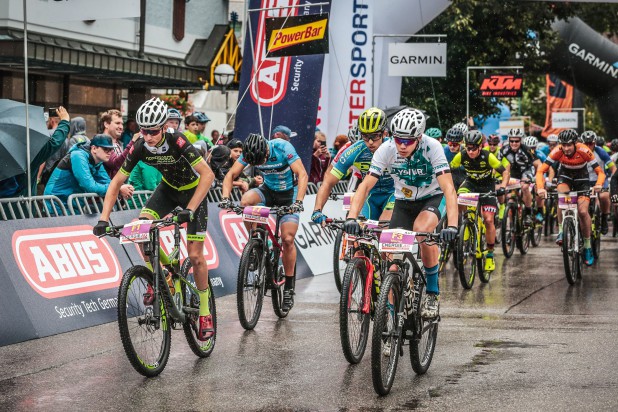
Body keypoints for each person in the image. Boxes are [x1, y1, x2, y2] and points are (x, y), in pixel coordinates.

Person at [93, 97, 216, 340]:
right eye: (143, 131)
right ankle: (164, 275)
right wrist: (103, 219)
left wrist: (190, 209)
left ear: (164, 127)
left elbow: (208, 175)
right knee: (141, 230)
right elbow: (117, 182)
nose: (148, 136)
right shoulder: (139, 146)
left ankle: (204, 312)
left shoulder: (177, 141)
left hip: (193, 193)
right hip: (167, 190)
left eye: (153, 131)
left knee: (194, 255)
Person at [343, 108, 458, 320]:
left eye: (409, 141)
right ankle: (390, 312)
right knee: (390, 258)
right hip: (404, 202)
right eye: (398, 140)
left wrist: (452, 225)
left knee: (422, 232)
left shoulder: (432, 148)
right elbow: (365, 186)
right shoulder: (386, 149)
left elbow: (449, 189)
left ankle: (432, 292)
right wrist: (351, 216)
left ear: (419, 137)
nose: (403, 145)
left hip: (432, 197)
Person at [219, 133, 308, 312]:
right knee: (245, 201)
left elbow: (302, 174)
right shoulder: (249, 152)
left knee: (288, 239)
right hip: (268, 191)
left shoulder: (283, 148)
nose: (260, 166)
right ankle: (256, 240)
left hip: (289, 195)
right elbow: (230, 175)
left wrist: (298, 202)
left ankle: (289, 287)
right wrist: (225, 198)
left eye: (262, 162)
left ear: (266, 150)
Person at [312, 108, 395, 225]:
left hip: (393, 194)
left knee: (384, 228)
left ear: (384, 133)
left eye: (375, 136)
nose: (370, 142)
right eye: (365, 136)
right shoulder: (354, 150)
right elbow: (328, 182)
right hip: (369, 194)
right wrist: (317, 210)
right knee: (355, 232)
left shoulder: (394, 148)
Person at [536, 129, 605, 266]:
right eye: (563, 145)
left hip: (582, 179)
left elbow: (600, 172)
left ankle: (587, 246)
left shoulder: (584, 150)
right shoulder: (557, 150)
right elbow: (541, 170)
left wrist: (598, 184)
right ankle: (561, 231)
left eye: (569, 145)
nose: (566, 148)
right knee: (561, 197)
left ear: (575, 144)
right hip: (565, 176)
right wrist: (540, 187)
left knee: (583, 212)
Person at [451, 130, 509, 272]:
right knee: (459, 200)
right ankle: (467, 223)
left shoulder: (488, 157)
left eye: (473, 149)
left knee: (488, 220)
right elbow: (449, 169)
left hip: (487, 186)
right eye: (468, 148)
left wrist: (502, 186)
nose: (470, 152)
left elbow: (505, 172)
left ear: (480, 147)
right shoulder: (461, 155)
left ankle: (489, 254)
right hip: (470, 184)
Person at [44, 134, 134, 211]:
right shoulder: (78, 156)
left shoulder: (98, 161)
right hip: (56, 205)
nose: (110, 152)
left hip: (72, 205)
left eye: (111, 149)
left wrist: (120, 188)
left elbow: (108, 183)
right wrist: (119, 189)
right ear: (94, 148)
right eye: (106, 149)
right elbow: (89, 186)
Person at [2, 106, 70, 198]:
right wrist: (65, 121)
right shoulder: (28, 151)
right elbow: (53, 144)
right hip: (21, 206)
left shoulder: (5, 149)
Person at [580, 130, 616, 234]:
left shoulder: (601, 152)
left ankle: (604, 217)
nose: (588, 145)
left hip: (600, 180)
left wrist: (613, 179)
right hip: (585, 180)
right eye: (585, 143)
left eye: (590, 143)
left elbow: (613, 168)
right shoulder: (578, 152)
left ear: (594, 143)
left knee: (604, 196)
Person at [500, 128, 537, 225]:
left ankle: (528, 213)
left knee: (525, 187)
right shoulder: (504, 150)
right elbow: (497, 164)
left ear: (520, 140)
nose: (514, 143)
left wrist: (533, 177)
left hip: (525, 171)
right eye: (511, 141)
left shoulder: (526, 149)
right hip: (512, 173)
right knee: (508, 196)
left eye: (517, 141)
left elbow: (535, 164)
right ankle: (512, 223)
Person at [100, 109, 139, 179]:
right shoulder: (102, 141)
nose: (121, 127)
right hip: (107, 188)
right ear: (106, 124)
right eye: (117, 123)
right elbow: (116, 165)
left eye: (122, 124)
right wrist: (132, 142)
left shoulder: (116, 143)